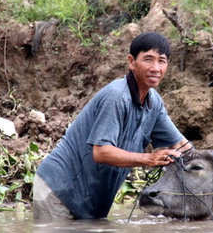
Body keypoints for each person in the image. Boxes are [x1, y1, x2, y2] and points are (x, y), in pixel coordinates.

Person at [33, 32, 190, 220]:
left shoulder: (153, 102)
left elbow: (182, 147)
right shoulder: (116, 97)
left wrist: (207, 167)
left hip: (91, 197)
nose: (155, 68)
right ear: (131, 62)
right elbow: (101, 152)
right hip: (57, 189)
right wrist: (148, 159)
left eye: (161, 61)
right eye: (148, 59)